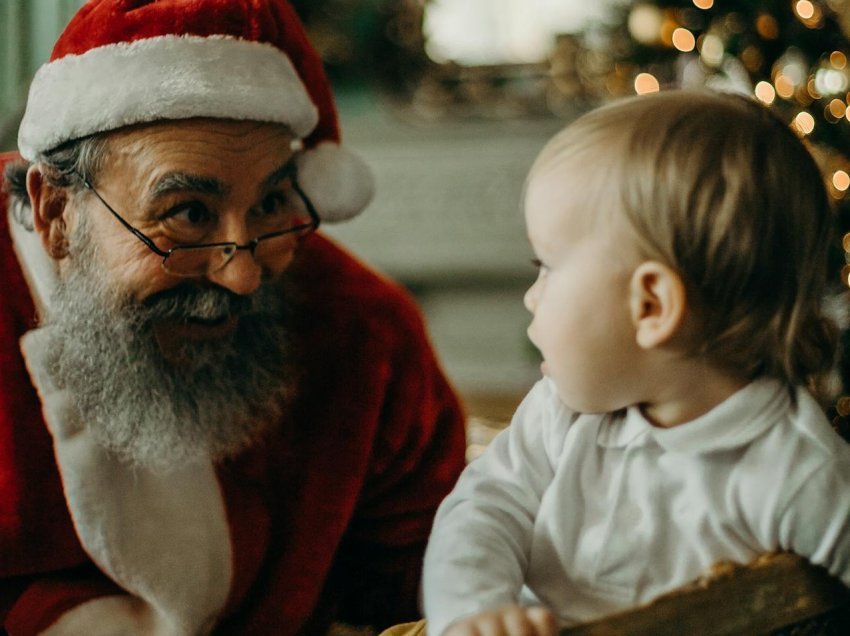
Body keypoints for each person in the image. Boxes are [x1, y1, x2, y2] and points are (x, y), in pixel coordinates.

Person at [0, 0, 466, 634]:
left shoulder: (366, 337)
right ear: (56, 213)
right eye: (187, 213)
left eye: (273, 203)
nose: (242, 274)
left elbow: (431, 583)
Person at [420, 90, 850, 636]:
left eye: (547, 266)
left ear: (651, 306)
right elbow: (481, 511)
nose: (532, 296)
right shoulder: (559, 414)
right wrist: (475, 610)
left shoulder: (796, 471)